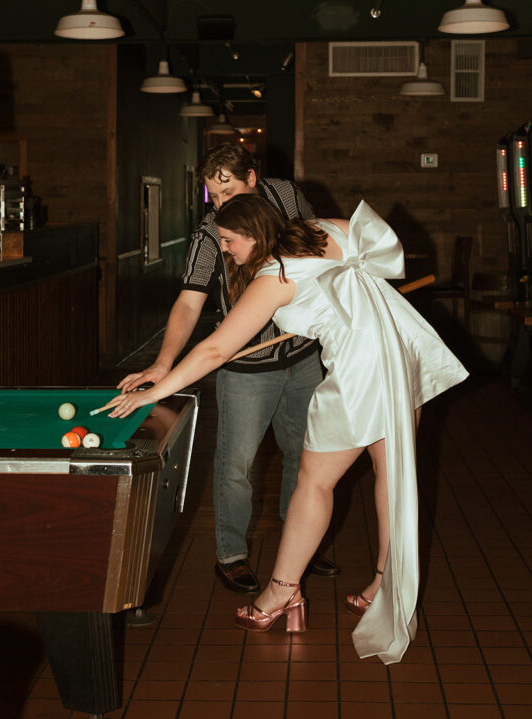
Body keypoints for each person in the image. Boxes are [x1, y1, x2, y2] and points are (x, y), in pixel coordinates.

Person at [109, 195, 468, 663]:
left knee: (314, 483)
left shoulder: (272, 277)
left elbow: (216, 351)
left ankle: (282, 592)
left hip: (364, 372)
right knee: (391, 473)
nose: (225, 250)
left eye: (229, 240)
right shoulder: (322, 230)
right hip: (402, 352)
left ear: (255, 235)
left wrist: (155, 391)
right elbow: (382, 243)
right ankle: (382, 583)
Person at [117, 143, 339, 593]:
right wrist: (163, 364)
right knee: (237, 465)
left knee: (307, 458)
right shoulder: (208, 236)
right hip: (245, 367)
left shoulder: (288, 199)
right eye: (211, 196)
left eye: (227, 191)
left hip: (303, 357)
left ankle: (301, 545)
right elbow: (189, 302)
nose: (219, 205)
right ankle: (231, 554)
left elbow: (322, 247)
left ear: (254, 180)